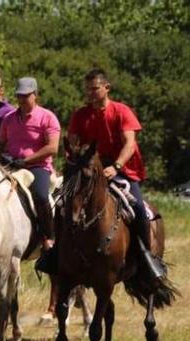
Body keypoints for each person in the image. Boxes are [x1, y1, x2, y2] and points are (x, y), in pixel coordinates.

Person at [46, 68, 164, 279]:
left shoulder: (121, 111)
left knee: (136, 206)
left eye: (95, 89)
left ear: (107, 88)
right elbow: (72, 142)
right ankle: (57, 253)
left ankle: (146, 257)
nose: (90, 93)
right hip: (88, 170)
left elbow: (130, 143)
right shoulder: (80, 115)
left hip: (120, 170)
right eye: (87, 90)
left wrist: (116, 166)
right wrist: (73, 156)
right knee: (62, 203)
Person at [0, 77, 60, 253]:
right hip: (12, 165)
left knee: (41, 196)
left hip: (38, 167)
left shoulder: (47, 117)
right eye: (19, 96)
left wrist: (28, 160)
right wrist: (1, 156)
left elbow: (52, 147)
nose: (22, 99)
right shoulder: (8, 118)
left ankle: (48, 237)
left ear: (35, 95)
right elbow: (0, 143)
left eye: (26, 95)